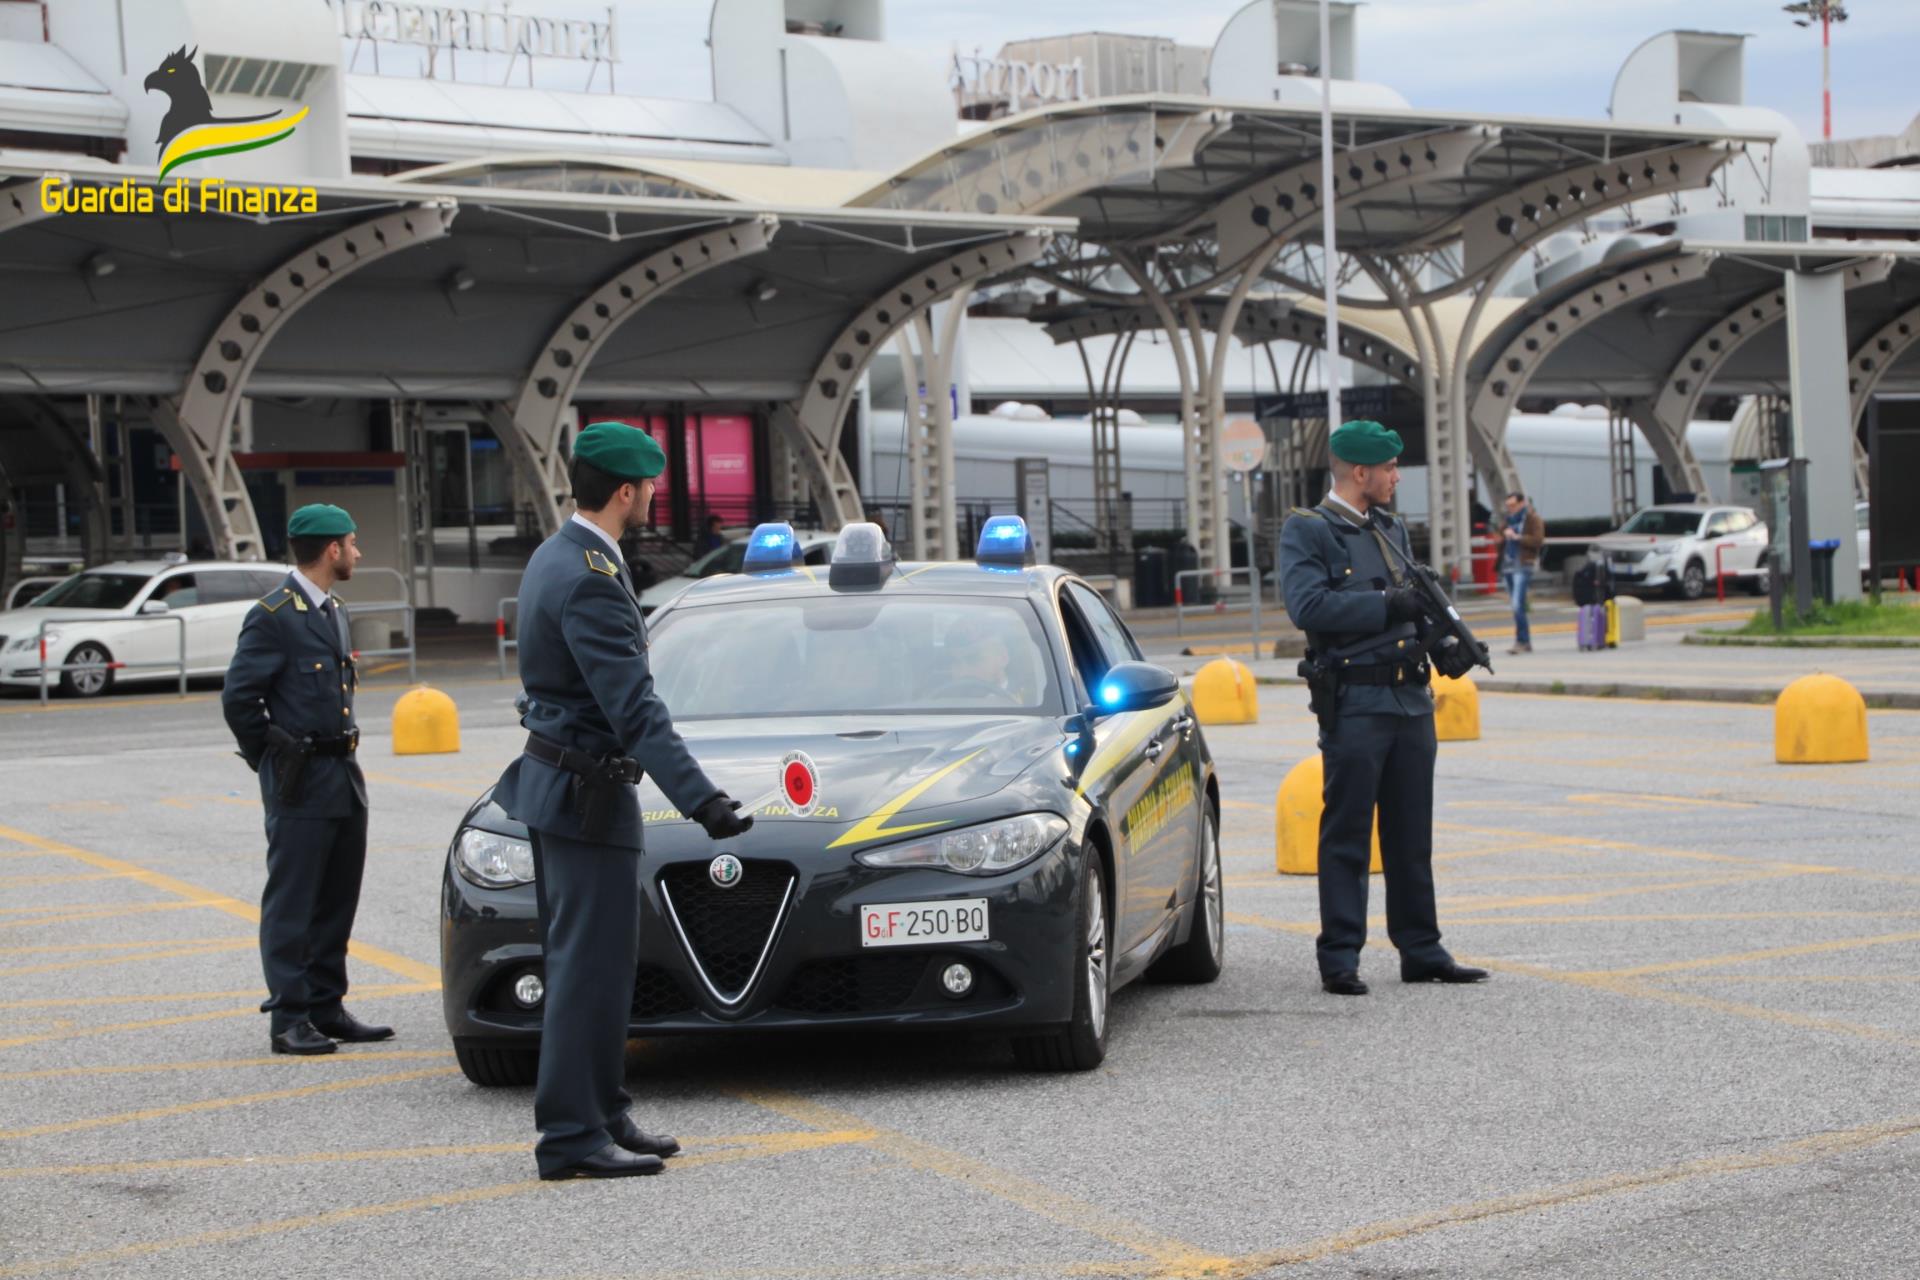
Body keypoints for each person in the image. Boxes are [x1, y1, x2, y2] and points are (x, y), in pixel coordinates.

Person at [492, 421, 754, 1182]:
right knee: (584, 967)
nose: (651, 500)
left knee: (603, 965)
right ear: (628, 490)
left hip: (571, 788)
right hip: (584, 795)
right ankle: (571, 1136)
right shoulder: (589, 578)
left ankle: (603, 1111)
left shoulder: (560, 554)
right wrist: (704, 801)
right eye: (649, 489)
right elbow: (634, 708)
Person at [1279, 420, 1489, 997]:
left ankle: (1421, 949)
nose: (1398, 477)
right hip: (1356, 700)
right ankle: (1340, 956)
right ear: (1361, 472)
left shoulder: (1390, 529)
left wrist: (1444, 643)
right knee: (1347, 831)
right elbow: (1308, 606)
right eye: (1391, 468)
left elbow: (1411, 607)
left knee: (1410, 832)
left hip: (1409, 698)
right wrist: (1384, 602)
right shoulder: (1310, 531)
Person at [222, 504, 390, 1055]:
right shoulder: (274, 615)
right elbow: (240, 699)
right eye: (352, 543)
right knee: (293, 901)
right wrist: (270, 759)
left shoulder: (332, 610)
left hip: (342, 771)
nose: (358, 553)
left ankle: (326, 1005)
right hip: (300, 778)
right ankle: (288, 1017)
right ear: (331, 551)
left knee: (337, 896)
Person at [1501, 492, 1546, 655]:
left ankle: (1522, 640)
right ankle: (1523, 640)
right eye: (1508, 506)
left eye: (1513, 505)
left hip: (1523, 564)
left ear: (1521, 504)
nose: (1510, 509)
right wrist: (1503, 534)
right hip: (1508, 565)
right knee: (1516, 605)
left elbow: (1538, 540)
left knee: (1517, 604)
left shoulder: (1532, 519)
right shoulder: (1508, 520)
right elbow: (1500, 537)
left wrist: (1518, 537)